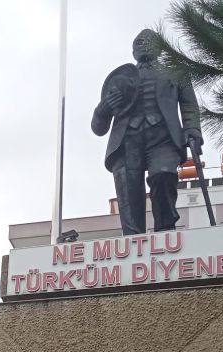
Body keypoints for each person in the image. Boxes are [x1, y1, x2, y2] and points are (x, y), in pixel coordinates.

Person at [92, 29, 203, 234]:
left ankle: (164, 230)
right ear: (132, 51)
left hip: (163, 138)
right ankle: (133, 242)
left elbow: (189, 105)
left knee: (163, 175)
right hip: (127, 142)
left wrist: (193, 130)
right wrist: (103, 109)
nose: (142, 44)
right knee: (128, 191)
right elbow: (98, 128)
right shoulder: (121, 80)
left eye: (147, 41)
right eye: (137, 42)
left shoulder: (176, 73)